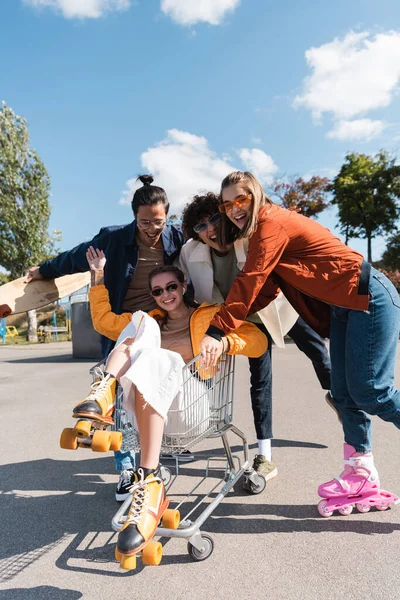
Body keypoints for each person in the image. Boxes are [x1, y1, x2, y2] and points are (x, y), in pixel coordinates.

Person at [200, 170, 400, 514]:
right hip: (344, 308)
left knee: (371, 391)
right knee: (343, 393)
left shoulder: (271, 223)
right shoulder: (264, 230)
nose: (234, 209)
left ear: (257, 195)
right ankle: (360, 472)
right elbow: (264, 290)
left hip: (367, 296)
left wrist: (217, 330)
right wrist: (225, 322)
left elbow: (250, 280)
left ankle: (361, 469)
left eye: (242, 199)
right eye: (227, 203)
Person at [76, 248, 267, 559]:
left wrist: (223, 340)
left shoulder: (209, 315)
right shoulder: (152, 322)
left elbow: (258, 343)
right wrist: (97, 275)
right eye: (157, 291)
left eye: (171, 287)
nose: (165, 295)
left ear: (184, 285)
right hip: (148, 413)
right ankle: (107, 394)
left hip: (194, 408)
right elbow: (103, 322)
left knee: (162, 358)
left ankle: (145, 473)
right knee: (140, 323)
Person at [25, 175, 184, 500]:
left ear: (167, 216)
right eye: (144, 222)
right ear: (133, 217)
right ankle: (127, 470)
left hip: (157, 328)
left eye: (158, 222)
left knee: (152, 394)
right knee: (121, 405)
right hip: (123, 329)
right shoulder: (113, 239)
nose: (152, 229)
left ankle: (153, 457)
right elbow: (76, 256)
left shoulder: (176, 240)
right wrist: (45, 269)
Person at [179, 192, 331, 481]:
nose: (210, 229)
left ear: (224, 217)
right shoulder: (190, 252)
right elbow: (170, 275)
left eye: (213, 219)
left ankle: (338, 395)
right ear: (195, 234)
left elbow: (276, 226)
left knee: (317, 351)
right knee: (260, 379)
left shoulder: (250, 238)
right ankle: (265, 455)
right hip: (245, 318)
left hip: (278, 304)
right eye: (200, 226)